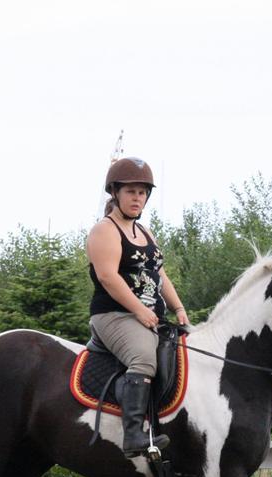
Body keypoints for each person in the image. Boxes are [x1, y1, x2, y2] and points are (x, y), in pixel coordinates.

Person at [86, 156, 189, 457]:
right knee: (144, 358)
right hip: (113, 315)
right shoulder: (104, 230)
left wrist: (178, 307)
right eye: (131, 191)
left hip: (147, 315)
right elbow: (107, 276)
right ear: (115, 193)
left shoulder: (145, 233)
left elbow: (160, 274)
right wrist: (140, 311)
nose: (137, 197)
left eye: (142, 192)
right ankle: (133, 435)